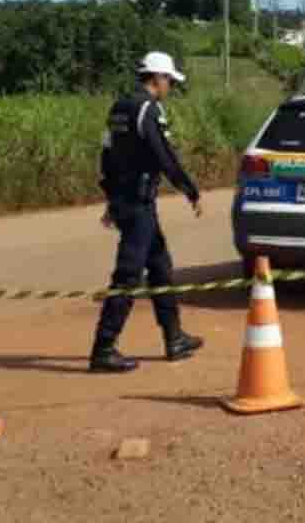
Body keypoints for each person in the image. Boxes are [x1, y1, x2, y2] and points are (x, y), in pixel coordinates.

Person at [90, 51, 205, 374]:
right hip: (138, 203)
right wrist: (190, 190)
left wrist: (112, 200)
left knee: (160, 267)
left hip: (130, 200)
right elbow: (164, 157)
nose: (170, 86)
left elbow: (107, 156)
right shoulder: (147, 109)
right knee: (128, 274)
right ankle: (103, 348)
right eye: (169, 80)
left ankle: (174, 338)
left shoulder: (119, 108)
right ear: (157, 78)